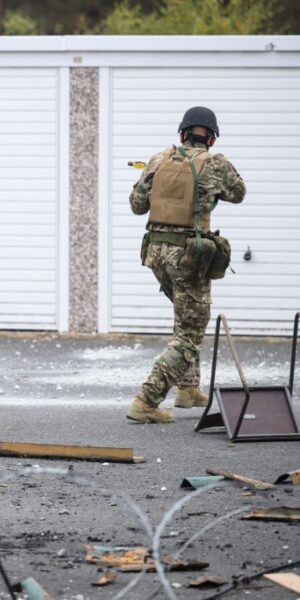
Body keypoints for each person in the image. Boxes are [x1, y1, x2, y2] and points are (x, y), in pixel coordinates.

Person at [127, 106, 245, 423]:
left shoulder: (158, 159)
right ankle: (146, 401)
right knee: (190, 333)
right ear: (213, 140)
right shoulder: (216, 164)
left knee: (185, 317)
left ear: (181, 134)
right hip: (189, 258)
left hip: (156, 255)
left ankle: (188, 388)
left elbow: (137, 206)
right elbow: (238, 193)